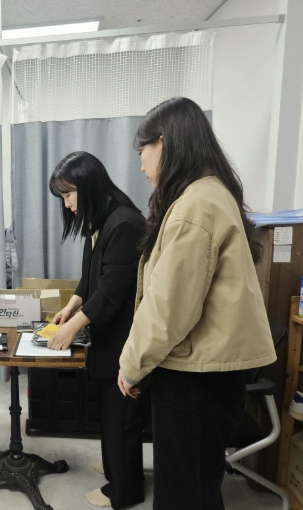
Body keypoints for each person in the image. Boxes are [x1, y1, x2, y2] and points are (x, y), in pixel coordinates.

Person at [117, 97, 277, 510]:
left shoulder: (194, 205)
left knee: (183, 496)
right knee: (199, 490)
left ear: (164, 143)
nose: (141, 165)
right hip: (209, 375)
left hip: (193, 379)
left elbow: (169, 307)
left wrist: (132, 365)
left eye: (142, 151)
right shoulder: (212, 194)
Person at [48, 151, 148, 509]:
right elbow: (91, 278)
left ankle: (124, 492)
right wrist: (71, 306)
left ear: (89, 185)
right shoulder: (101, 220)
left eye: (69, 194)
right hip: (108, 336)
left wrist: (72, 328)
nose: (67, 204)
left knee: (122, 418)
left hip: (125, 339)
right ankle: (114, 468)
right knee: (110, 412)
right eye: (62, 197)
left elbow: (111, 291)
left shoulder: (125, 223)